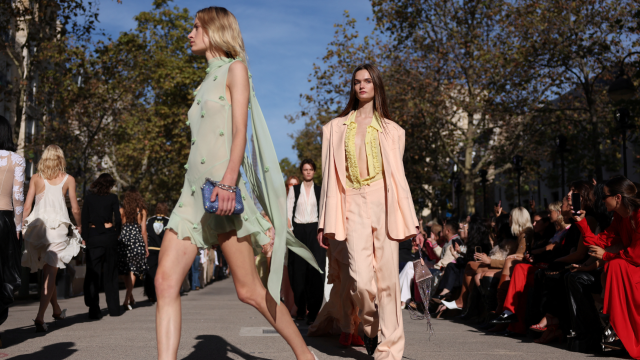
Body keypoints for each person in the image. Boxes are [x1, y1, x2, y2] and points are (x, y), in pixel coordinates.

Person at [154, 7, 320, 360]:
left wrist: (229, 183)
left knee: (249, 291)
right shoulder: (203, 81)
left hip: (223, 191)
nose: (190, 33)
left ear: (214, 31)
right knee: (165, 283)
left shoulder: (236, 69)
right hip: (190, 196)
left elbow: (240, 132)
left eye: (196, 27)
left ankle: (305, 357)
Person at [317, 63, 425, 359]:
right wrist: (323, 221)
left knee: (388, 279)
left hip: (384, 201)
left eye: (366, 81)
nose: (361, 86)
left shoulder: (393, 131)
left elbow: (399, 180)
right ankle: (373, 327)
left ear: (376, 85)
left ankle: (390, 349)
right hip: (351, 201)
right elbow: (328, 179)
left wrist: (414, 224)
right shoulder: (334, 129)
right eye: (356, 82)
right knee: (360, 280)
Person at [573, 176, 640, 356]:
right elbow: (599, 241)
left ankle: (615, 327)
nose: (601, 201)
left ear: (618, 198)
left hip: (636, 265)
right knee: (615, 265)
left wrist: (608, 256)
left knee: (615, 265)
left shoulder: (639, 215)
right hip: (632, 267)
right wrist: (582, 223)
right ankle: (616, 327)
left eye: (604, 197)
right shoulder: (619, 217)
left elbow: (636, 254)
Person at [21, 145, 83, 332]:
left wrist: (22, 226)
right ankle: (40, 316)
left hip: (38, 229)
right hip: (57, 230)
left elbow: (27, 206)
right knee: (50, 272)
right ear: (60, 159)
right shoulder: (68, 179)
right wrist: (79, 225)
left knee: (48, 270)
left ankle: (56, 310)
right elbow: (74, 208)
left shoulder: (36, 178)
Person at [286, 159, 325, 324]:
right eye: (305, 169)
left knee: (316, 269)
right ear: (302, 172)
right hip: (298, 231)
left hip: (315, 231)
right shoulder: (294, 190)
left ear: (314, 172)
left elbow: (324, 210)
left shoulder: (320, 189)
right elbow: (288, 213)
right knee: (298, 271)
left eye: (310, 169)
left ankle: (314, 311)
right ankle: (301, 308)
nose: (308, 172)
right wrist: (291, 233)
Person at [82, 173, 122, 319]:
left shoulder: (89, 198)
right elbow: (117, 218)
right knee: (111, 274)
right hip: (109, 236)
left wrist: (85, 238)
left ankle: (94, 309)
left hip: (94, 236)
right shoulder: (113, 198)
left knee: (93, 274)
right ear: (110, 185)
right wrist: (116, 233)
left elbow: (84, 218)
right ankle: (114, 309)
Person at [0, 116, 24, 345]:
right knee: (6, 273)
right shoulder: (16, 160)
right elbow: (18, 196)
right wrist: (18, 226)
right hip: (4, 220)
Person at [118, 187, 149, 310]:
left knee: (126, 271)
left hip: (124, 241)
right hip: (136, 242)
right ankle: (127, 299)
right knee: (134, 271)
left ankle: (129, 297)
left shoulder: (122, 211)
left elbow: (120, 227)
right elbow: (144, 231)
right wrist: (146, 246)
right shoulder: (142, 211)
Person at [145, 203, 170, 303]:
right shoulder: (168, 221)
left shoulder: (150, 220)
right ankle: (162, 294)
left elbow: (146, 234)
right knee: (163, 273)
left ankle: (151, 295)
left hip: (151, 249)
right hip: (163, 250)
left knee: (151, 273)